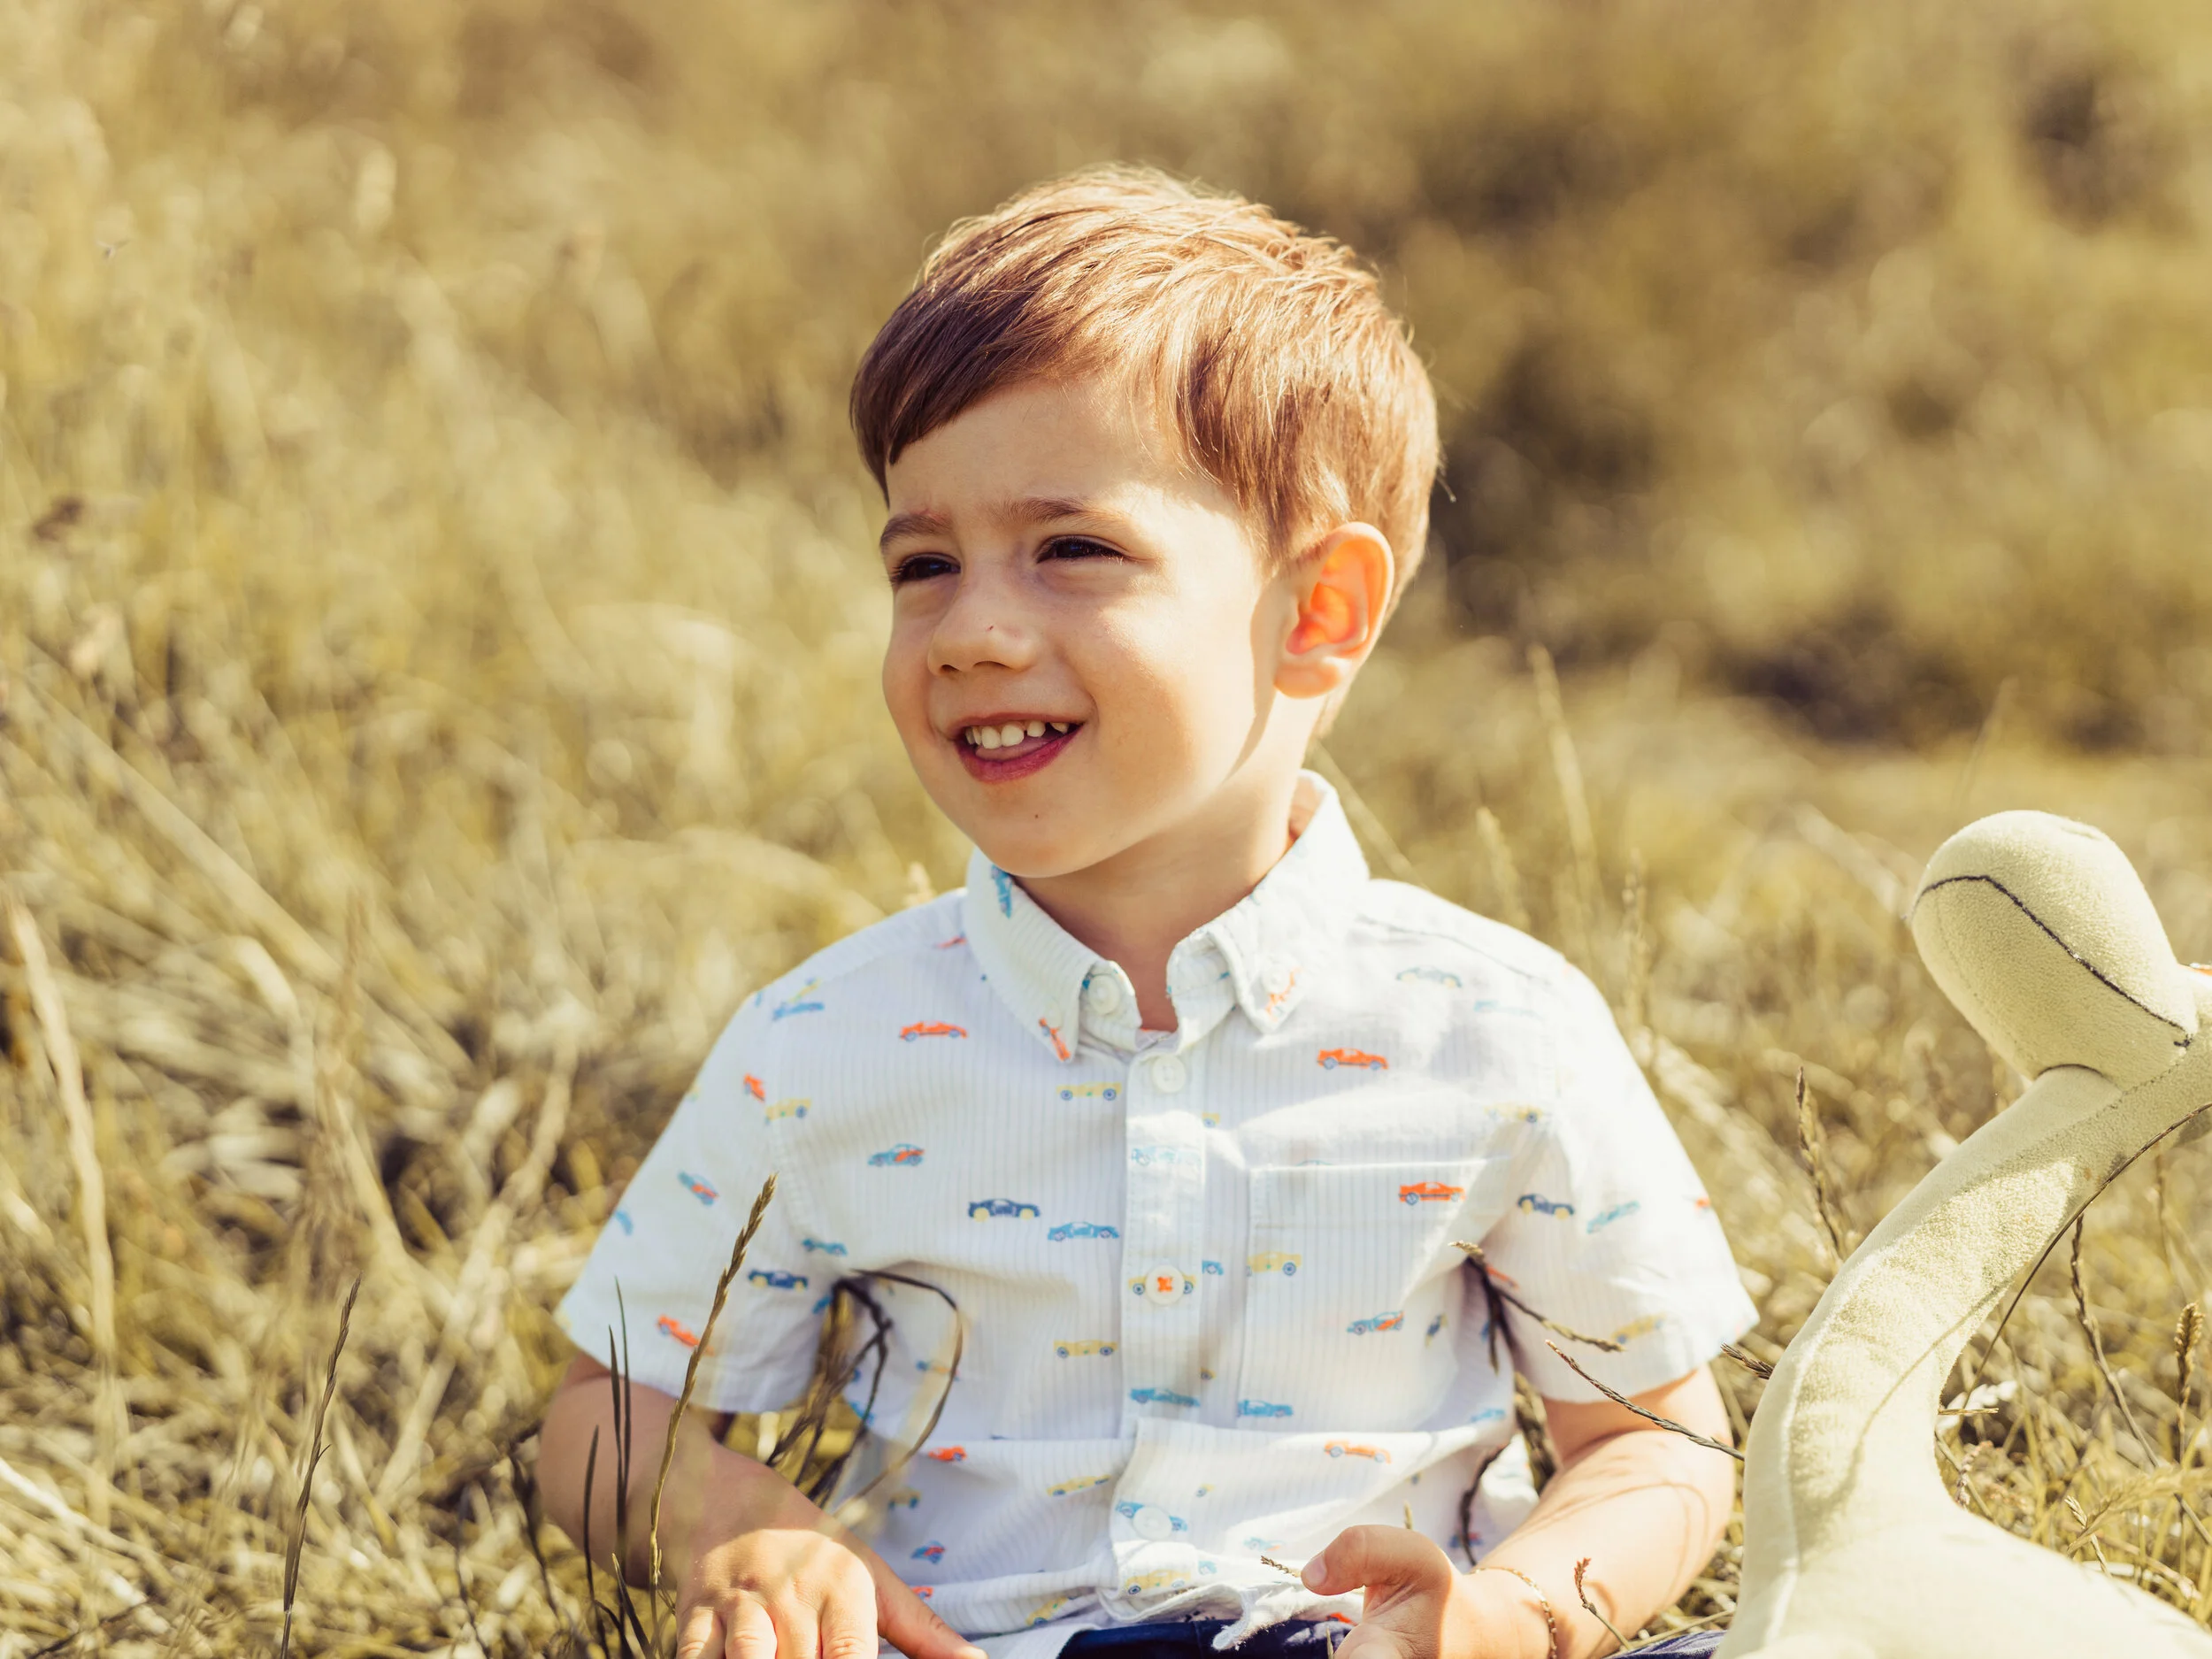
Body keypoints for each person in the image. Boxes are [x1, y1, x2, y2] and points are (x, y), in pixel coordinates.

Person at [537, 166, 1754, 1659]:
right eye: (924, 565)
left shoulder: (1498, 1028)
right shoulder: (826, 1044)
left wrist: (1509, 1617)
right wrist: (747, 1533)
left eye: (1074, 549)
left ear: (1317, 614)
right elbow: (604, 1416)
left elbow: (1659, 1446)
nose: (973, 629)